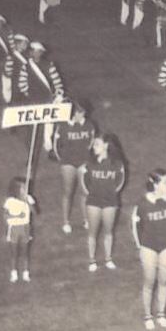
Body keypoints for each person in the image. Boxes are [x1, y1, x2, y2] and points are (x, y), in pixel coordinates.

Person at [132, 170, 166, 330]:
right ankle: (148, 315)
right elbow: (136, 227)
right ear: (155, 184)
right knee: (149, 281)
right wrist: (141, 246)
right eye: (165, 182)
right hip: (148, 246)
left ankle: (161, 314)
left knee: (164, 280)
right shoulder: (142, 204)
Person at [79, 133, 126, 272]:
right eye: (94, 144)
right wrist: (90, 193)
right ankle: (92, 260)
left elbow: (120, 181)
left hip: (110, 201)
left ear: (106, 145)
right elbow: (84, 182)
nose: (94, 147)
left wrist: (111, 193)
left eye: (97, 144)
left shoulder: (117, 164)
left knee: (108, 231)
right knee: (92, 232)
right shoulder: (90, 164)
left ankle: (108, 259)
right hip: (93, 201)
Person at [52, 103, 96, 234]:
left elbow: (91, 143)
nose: (82, 116)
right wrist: (63, 159)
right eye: (79, 113)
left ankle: (86, 219)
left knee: (85, 192)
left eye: (83, 113)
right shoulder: (63, 126)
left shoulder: (89, 125)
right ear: (73, 113)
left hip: (83, 162)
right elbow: (56, 146)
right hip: (68, 163)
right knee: (68, 192)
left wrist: (87, 158)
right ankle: (66, 222)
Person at [3, 177, 37, 282]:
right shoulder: (10, 201)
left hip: (25, 227)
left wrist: (28, 203)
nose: (25, 190)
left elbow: (35, 212)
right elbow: (5, 216)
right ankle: (14, 273)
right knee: (14, 252)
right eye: (23, 188)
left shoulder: (28, 198)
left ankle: (26, 273)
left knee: (25, 252)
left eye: (26, 187)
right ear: (16, 189)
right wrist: (18, 216)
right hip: (14, 228)